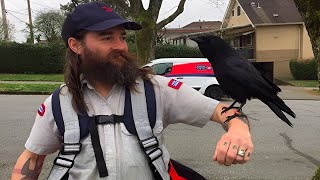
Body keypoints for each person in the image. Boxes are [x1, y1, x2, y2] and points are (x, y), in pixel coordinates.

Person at [11, 2, 253, 180]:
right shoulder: (59, 103)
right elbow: (32, 158)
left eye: (122, 37)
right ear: (76, 45)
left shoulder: (157, 89)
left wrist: (239, 130)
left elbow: (223, 110)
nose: (120, 46)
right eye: (107, 37)